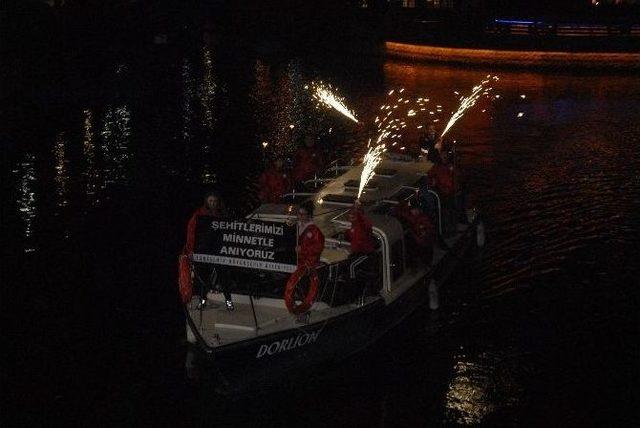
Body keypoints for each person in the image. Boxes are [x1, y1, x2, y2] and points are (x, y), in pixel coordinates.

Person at [184, 191, 234, 311]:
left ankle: (229, 301)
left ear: (218, 202)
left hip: (220, 252)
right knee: (203, 278)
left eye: (214, 201)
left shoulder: (223, 214)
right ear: (206, 201)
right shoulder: (199, 214)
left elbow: (233, 229)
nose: (212, 203)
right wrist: (190, 250)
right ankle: (203, 301)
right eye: (210, 201)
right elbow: (191, 233)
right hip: (203, 252)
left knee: (224, 278)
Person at [344, 200, 378, 302]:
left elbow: (365, 224)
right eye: (350, 216)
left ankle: (354, 292)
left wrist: (357, 210)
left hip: (366, 254)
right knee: (346, 264)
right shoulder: (351, 228)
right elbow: (349, 239)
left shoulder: (363, 225)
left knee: (352, 266)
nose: (351, 217)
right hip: (356, 254)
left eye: (353, 215)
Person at [394, 200, 436, 268]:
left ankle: (426, 263)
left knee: (426, 249)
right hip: (417, 240)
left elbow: (429, 228)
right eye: (414, 209)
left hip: (422, 240)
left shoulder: (422, 218)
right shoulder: (409, 217)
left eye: (417, 209)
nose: (415, 211)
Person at [295, 200, 325, 268]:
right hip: (295, 261)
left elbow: (317, 248)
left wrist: (302, 249)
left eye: (303, 214)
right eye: (299, 213)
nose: (300, 216)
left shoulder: (315, 231)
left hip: (307, 264)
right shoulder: (296, 227)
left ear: (309, 215)